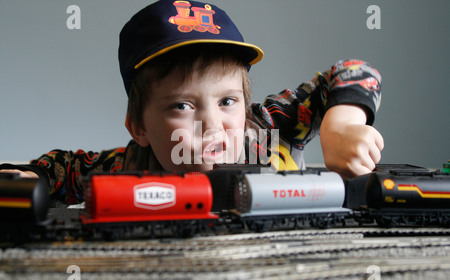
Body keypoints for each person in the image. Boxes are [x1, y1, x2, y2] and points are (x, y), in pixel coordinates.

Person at [0, 0, 384, 205]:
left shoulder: (269, 128)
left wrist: (342, 127)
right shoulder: (131, 165)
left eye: (228, 101)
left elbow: (353, 70)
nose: (212, 125)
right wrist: (31, 179)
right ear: (139, 128)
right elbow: (61, 168)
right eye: (182, 106)